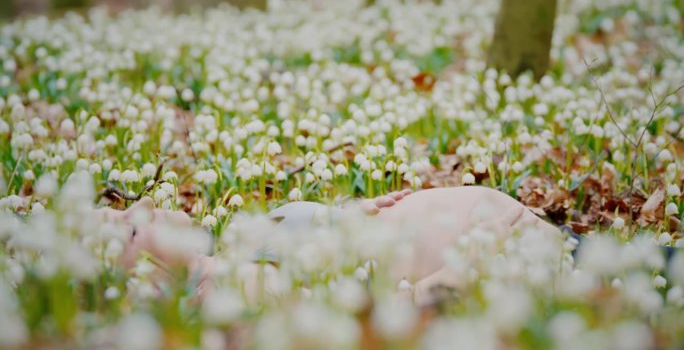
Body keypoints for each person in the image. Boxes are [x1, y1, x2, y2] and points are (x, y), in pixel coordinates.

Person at [99, 186, 578, 304]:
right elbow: (388, 314)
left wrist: (354, 211)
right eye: (131, 230)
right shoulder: (237, 293)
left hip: (547, 248)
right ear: (142, 287)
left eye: (121, 206)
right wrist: (482, 253)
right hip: (539, 276)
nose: (140, 206)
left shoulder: (232, 253)